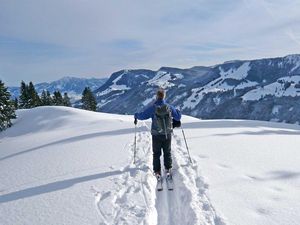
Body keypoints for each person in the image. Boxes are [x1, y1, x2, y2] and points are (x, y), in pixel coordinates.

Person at [134, 88, 181, 179]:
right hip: (167, 134)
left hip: (156, 134)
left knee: (156, 153)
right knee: (167, 152)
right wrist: (178, 111)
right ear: (164, 96)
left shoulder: (153, 107)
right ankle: (168, 169)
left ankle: (157, 172)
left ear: (156, 96)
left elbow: (143, 116)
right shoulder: (169, 107)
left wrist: (136, 115)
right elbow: (178, 117)